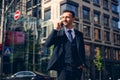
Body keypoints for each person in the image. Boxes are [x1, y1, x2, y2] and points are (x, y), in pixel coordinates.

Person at [45, 10, 86, 80]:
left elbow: (82, 50)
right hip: (63, 68)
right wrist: (55, 29)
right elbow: (47, 44)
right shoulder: (58, 33)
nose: (64, 19)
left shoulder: (79, 34)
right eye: (63, 17)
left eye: (67, 17)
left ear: (73, 19)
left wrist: (82, 64)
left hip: (77, 69)